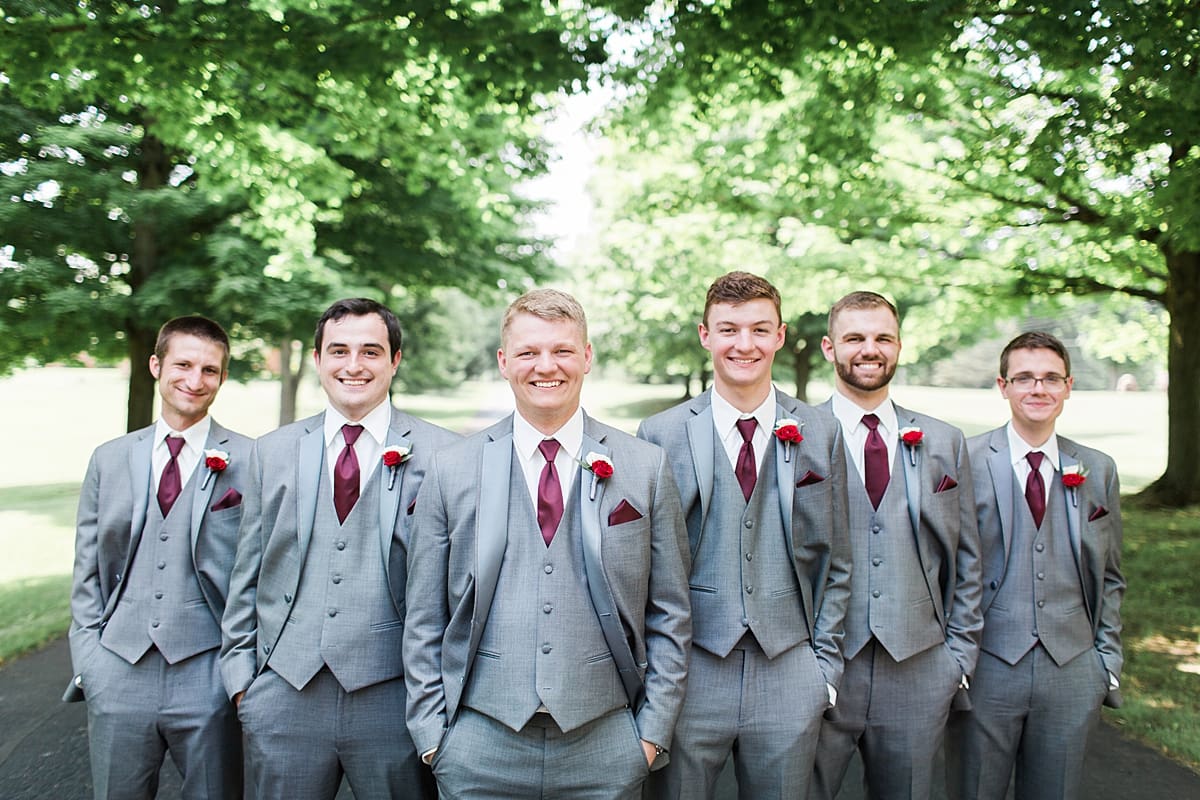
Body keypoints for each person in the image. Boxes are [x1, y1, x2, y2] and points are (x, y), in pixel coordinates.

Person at [403, 288, 692, 800]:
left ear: (587, 356)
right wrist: (434, 738)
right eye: (528, 352)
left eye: (562, 350)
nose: (545, 366)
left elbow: (669, 610)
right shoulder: (452, 469)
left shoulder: (645, 467)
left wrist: (649, 735)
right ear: (503, 361)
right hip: (478, 743)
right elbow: (424, 614)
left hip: (607, 742)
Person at [220, 298, 458, 800]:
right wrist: (244, 684)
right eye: (339, 351)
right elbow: (248, 573)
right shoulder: (272, 451)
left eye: (370, 351)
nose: (354, 365)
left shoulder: (446, 455)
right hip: (284, 694)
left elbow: (459, 587)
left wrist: (436, 702)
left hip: (396, 697)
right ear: (317, 359)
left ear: (394, 360)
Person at [638, 271, 852, 799]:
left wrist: (822, 671)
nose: (744, 344)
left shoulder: (822, 431)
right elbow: (643, 566)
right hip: (691, 669)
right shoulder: (659, 434)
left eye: (759, 329)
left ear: (779, 336)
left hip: (790, 668)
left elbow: (838, 558)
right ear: (705, 335)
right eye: (729, 329)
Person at [66, 315, 250, 799]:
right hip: (118, 667)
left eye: (209, 370)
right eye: (183, 365)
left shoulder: (253, 460)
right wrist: (91, 664)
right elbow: (87, 570)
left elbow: (264, 575)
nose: (195, 380)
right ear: (156, 366)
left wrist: (237, 675)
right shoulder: (108, 458)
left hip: (209, 671)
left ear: (223, 377)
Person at [813, 291, 983, 800]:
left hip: (918, 668)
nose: (870, 349)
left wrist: (957, 660)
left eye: (883, 338)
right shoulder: (795, 436)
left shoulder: (943, 441)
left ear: (899, 346)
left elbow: (967, 558)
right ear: (829, 347)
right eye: (855, 338)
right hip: (822, 664)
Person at [946, 332, 1125, 800]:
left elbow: (1110, 576)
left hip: (1073, 669)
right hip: (986, 665)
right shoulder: (964, 460)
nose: (1038, 389)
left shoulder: (1098, 469)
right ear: (1002, 386)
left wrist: (1105, 663)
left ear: (1068, 387)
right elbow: (942, 566)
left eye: (1050, 378)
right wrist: (955, 661)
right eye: (1024, 378)